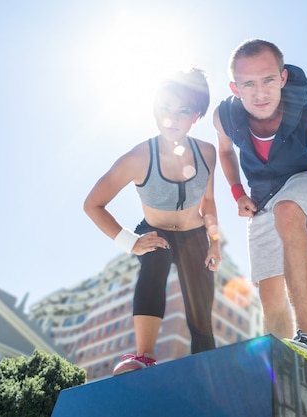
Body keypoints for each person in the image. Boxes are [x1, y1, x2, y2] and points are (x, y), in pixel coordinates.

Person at [214, 39, 307, 376]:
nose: (260, 93)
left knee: (288, 211)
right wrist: (238, 192)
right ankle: (282, 367)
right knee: (270, 298)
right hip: (261, 196)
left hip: (304, 178)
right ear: (235, 88)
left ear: (282, 78)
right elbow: (224, 151)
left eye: (267, 80)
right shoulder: (225, 116)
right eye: (248, 84)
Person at [84, 68, 221, 376]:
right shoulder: (139, 157)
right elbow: (93, 204)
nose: (172, 118)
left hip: (195, 234)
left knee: (201, 316)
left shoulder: (208, 153)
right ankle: (143, 356)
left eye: (183, 111)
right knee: (154, 257)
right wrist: (130, 242)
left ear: (196, 115)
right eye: (165, 109)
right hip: (156, 232)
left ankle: (206, 366)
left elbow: (209, 201)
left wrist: (214, 241)